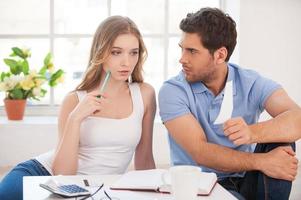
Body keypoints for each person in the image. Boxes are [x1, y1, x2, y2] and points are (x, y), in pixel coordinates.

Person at [0, 16, 156, 200]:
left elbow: (145, 159)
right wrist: (75, 118)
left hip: (95, 189)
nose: (127, 62)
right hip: (43, 175)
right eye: (116, 52)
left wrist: (154, 192)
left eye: (133, 52)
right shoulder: (74, 100)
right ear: (100, 52)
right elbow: (63, 173)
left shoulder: (145, 94)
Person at [158, 7, 300, 200]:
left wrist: (252, 133)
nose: (182, 59)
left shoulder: (250, 82)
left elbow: (297, 119)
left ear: (220, 55)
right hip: (202, 186)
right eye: (182, 48)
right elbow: (201, 152)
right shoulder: (172, 91)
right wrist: (262, 162)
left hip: (247, 179)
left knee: (282, 137)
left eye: (192, 51)